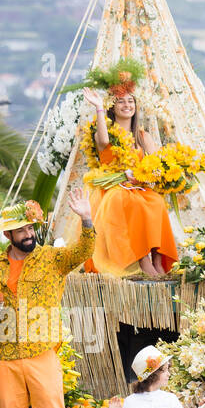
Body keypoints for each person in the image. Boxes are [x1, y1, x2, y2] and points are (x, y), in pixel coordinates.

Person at [0, 189, 95, 408]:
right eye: (21, 231)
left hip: (42, 354)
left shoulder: (51, 258)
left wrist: (87, 218)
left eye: (30, 228)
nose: (28, 234)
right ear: (8, 236)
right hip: (4, 359)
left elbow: (84, 251)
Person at [80, 61, 179, 278]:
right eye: (121, 102)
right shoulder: (105, 133)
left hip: (139, 188)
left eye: (130, 101)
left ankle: (157, 260)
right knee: (128, 201)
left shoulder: (143, 137)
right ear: (112, 107)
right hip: (113, 191)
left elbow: (157, 167)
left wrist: (145, 177)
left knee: (155, 201)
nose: (127, 105)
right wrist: (98, 106)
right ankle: (142, 259)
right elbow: (104, 142)